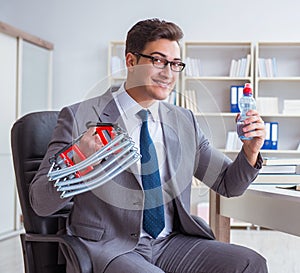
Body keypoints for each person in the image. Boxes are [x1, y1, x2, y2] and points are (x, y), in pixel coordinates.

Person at [30, 18, 268, 273]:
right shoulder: (80, 117)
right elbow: (40, 202)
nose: (168, 73)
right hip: (111, 246)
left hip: (170, 243)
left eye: (175, 64)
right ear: (131, 61)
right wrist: (78, 161)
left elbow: (227, 183)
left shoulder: (183, 121)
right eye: (158, 61)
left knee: (250, 264)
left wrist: (250, 150)